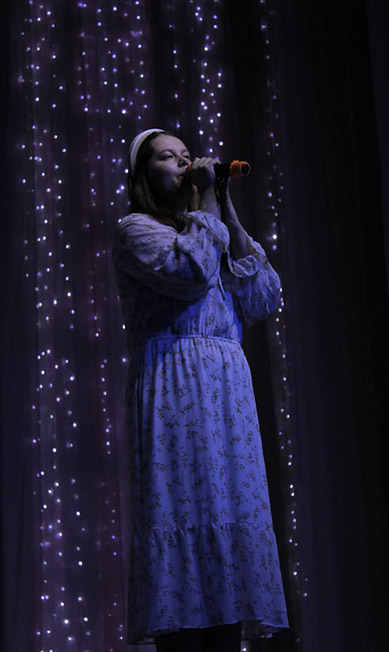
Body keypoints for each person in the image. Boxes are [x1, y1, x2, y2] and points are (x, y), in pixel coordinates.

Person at [112, 128, 288, 652]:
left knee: (229, 522)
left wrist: (224, 204)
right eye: (167, 157)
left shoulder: (208, 228)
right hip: (174, 387)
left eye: (186, 155)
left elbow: (262, 295)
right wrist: (207, 205)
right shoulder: (135, 231)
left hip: (226, 392)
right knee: (183, 513)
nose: (183, 162)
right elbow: (189, 270)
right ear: (143, 176)